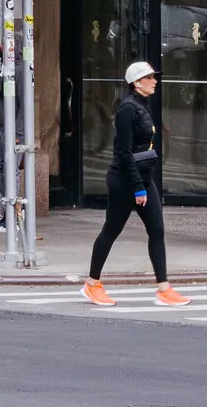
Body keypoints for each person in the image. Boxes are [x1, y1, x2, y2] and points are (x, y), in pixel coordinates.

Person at [82, 62, 190, 308]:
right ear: (137, 83)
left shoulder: (143, 105)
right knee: (111, 230)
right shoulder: (127, 109)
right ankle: (92, 283)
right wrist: (138, 188)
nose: (155, 80)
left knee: (157, 229)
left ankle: (164, 288)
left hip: (143, 178)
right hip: (125, 181)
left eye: (154, 76)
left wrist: (144, 184)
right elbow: (124, 152)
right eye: (150, 77)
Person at [0, 40, 23, 234]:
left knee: (12, 171)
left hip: (13, 132)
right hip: (0, 130)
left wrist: (18, 134)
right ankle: (15, 205)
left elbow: (25, 106)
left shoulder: (20, 71)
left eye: (4, 45)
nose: (0, 48)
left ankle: (13, 216)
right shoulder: (5, 69)